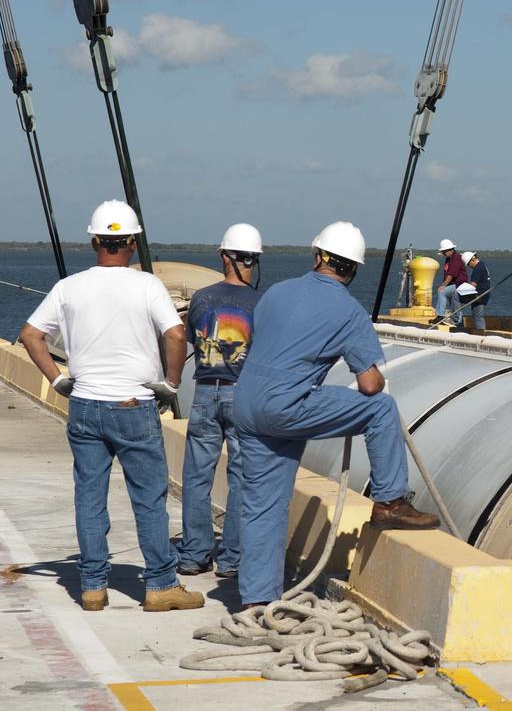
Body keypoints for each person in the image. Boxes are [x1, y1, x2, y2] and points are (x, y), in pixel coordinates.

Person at [232, 221, 440, 607]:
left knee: (264, 505)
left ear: (317, 257)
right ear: (354, 269)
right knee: (381, 408)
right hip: (286, 406)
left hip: (245, 404)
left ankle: (257, 601)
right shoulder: (349, 311)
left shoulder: (275, 292)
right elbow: (370, 386)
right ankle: (391, 501)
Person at [18, 200, 204, 613]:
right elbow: (176, 335)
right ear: (133, 243)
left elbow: (31, 334)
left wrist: (58, 378)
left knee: (89, 497)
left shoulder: (69, 287)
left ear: (94, 241)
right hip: (133, 404)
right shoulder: (147, 286)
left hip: (85, 405)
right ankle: (159, 585)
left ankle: (92, 587)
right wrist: (170, 383)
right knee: (149, 498)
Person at [176, 223, 263, 579]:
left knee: (197, 476)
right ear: (253, 261)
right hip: (242, 395)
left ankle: (194, 555)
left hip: (204, 392)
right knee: (242, 476)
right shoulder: (262, 303)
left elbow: (189, 336)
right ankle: (231, 559)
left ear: (223, 256)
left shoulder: (202, 299)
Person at [434, 238, 468, 329]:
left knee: (442, 292)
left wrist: (443, 285)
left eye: (445, 251)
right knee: (454, 302)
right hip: (455, 285)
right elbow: (447, 274)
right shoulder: (448, 259)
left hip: (460, 284)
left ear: (451, 250)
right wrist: (444, 284)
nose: (443, 253)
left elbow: (451, 274)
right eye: (443, 251)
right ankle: (459, 321)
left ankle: (440, 315)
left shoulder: (456, 258)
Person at [460, 251, 491, 331]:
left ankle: (481, 332)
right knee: (476, 314)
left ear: (472, 260)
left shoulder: (477, 268)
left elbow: (473, 284)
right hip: (483, 294)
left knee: (478, 315)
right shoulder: (482, 264)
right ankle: (480, 331)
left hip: (479, 295)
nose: (469, 266)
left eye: (469, 264)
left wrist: (463, 290)